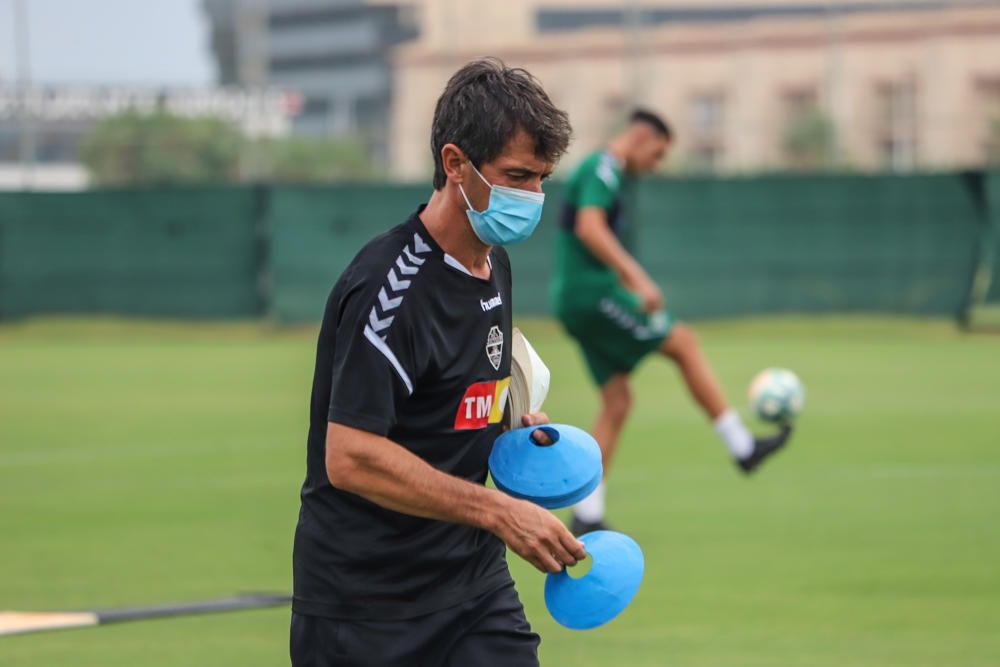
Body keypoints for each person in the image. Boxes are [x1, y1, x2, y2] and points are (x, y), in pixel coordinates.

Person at [290, 58, 585, 667]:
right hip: (366, 609)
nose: (533, 198)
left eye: (542, 180)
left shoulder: (494, 261)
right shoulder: (387, 289)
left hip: (473, 589)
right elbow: (350, 457)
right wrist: (499, 510)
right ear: (456, 165)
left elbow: (457, 397)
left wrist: (511, 426)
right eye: (517, 177)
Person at [552, 109, 793, 536]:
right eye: (659, 153)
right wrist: (637, 278)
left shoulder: (609, 174)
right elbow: (590, 228)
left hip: (577, 300)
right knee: (682, 342)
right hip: (592, 295)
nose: (657, 165)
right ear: (642, 137)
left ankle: (587, 513)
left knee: (617, 402)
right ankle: (742, 447)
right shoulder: (604, 167)